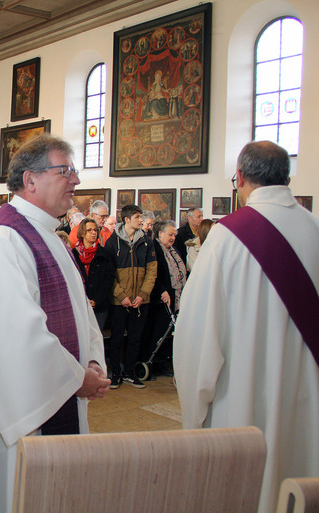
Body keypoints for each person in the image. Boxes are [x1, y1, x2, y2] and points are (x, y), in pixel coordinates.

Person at [0, 134, 109, 513]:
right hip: (22, 412)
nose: (76, 180)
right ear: (30, 180)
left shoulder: (48, 235)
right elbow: (15, 334)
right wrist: (75, 376)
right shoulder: (6, 238)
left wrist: (94, 362)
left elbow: (81, 311)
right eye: (65, 170)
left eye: (74, 170)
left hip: (62, 389)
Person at [174, 141, 319, 513]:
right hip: (308, 398)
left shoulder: (226, 237)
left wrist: (195, 407)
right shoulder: (315, 228)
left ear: (239, 179)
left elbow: (196, 334)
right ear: (287, 177)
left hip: (242, 399)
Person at [104, 204, 156, 389]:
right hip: (120, 301)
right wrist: (121, 296)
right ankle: (116, 374)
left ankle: (129, 373)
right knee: (117, 338)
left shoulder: (147, 242)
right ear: (127, 219)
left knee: (135, 338)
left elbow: (152, 271)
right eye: (137, 217)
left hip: (141, 300)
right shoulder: (112, 242)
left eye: (141, 217)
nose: (140, 220)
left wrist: (142, 295)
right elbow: (109, 273)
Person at [141, 219, 185, 378]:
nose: (173, 237)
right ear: (160, 234)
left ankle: (161, 363)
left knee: (169, 332)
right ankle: (149, 363)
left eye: (174, 234)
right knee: (157, 331)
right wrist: (162, 290)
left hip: (175, 295)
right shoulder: (155, 249)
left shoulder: (174, 250)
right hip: (160, 297)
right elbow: (153, 274)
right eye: (170, 234)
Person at [71, 217, 115, 334]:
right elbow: (72, 281)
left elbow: (108, 280)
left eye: (95, 230)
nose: (93, 233)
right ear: (82, 233)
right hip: (80, 304)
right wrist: (84, 300)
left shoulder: (104, 254)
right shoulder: (74, 254)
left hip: (99, 305)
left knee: (96, 337)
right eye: (89, 230)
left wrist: (96, 300)